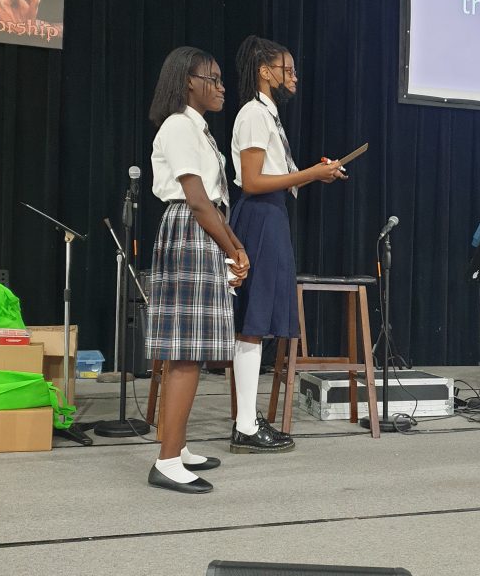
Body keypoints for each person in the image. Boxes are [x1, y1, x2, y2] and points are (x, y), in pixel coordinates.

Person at [229, 35, 345, 454]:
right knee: (253, 322)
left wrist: (317, 173)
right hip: (260, 214)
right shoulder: (254, 115)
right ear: (264, 71)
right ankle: (244, 424)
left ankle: (246, 417)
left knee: (258, 323)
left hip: (272, 215)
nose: (293, 76)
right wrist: (312, 174)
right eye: (287, 68)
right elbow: (255, 180)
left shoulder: (269, 116)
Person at [146, 46, 249, 493]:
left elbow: (213, 199)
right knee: (185, 351)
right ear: (189, 81)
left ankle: (178, 445)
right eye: (214, 78)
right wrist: (231, 245)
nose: (222, 86)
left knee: (193, 349)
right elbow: (196, 198)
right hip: (191, 230)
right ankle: (167, 462)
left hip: (204, 229)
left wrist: (235, 246)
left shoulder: (199, 129)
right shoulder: (178, 125)